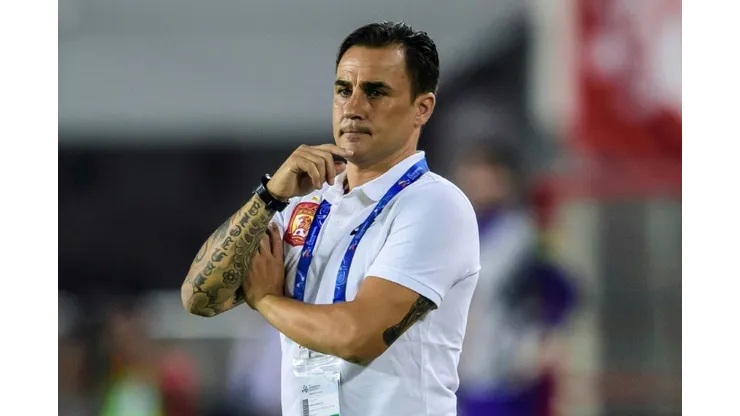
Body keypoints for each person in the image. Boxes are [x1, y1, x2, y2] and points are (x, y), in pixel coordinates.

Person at [180, 21, 480, 416]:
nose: (353, 108)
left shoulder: (434, 204)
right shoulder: (305, 202)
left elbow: (358, 336)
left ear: (421, 108)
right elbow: (200, 297)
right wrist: (269, 196)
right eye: (343, 90)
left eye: (375, 92)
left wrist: (267, 301)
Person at [452, 145, 576, 416]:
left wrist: (546, 338)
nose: (477, 185)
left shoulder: (520, 235)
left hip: (504, 372)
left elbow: (561, 290)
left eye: (486, 177)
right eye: (472, 176)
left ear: (505, 180)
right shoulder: (459, 230)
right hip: (461, 371)